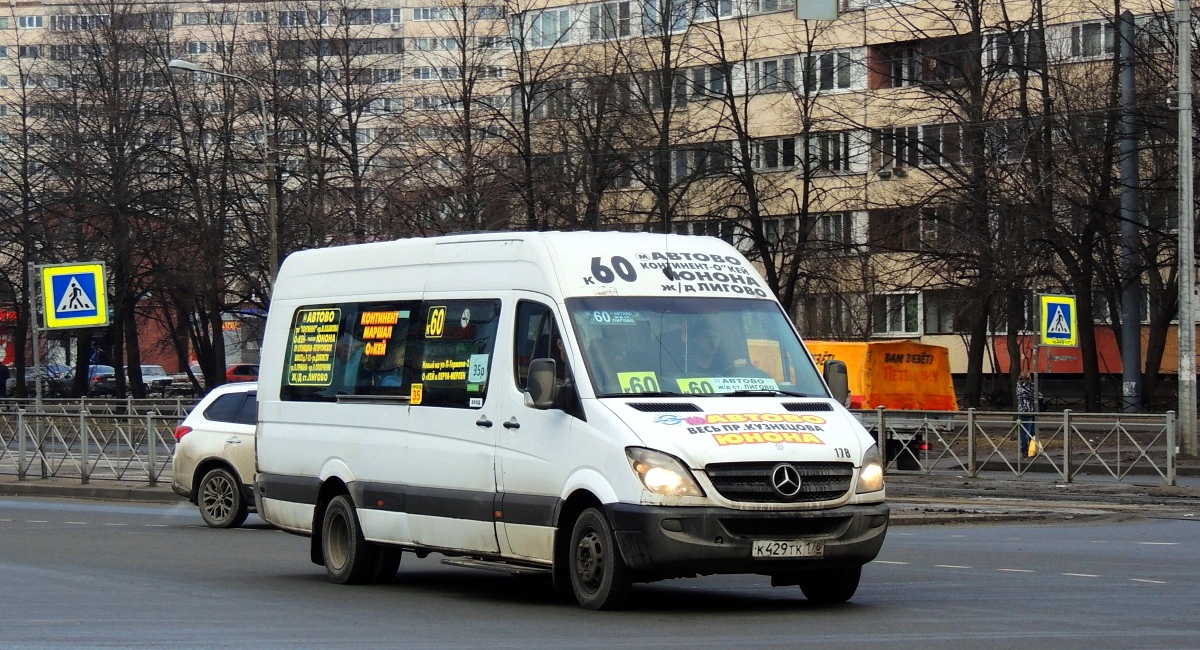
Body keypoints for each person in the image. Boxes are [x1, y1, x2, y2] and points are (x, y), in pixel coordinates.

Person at [1015, 371, 1039, 457]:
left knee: (1033, 432)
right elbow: (1034, 396)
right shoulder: (1020, 387)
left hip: (1032, 411)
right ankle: (1024, 450)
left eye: (1028, 379)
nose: (1028, 381)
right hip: (1025, 411)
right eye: (1026, 379)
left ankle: (1032, 450)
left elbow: (1038, 395)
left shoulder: (1031, 386)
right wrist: (1036, 395)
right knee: (1025, 432)